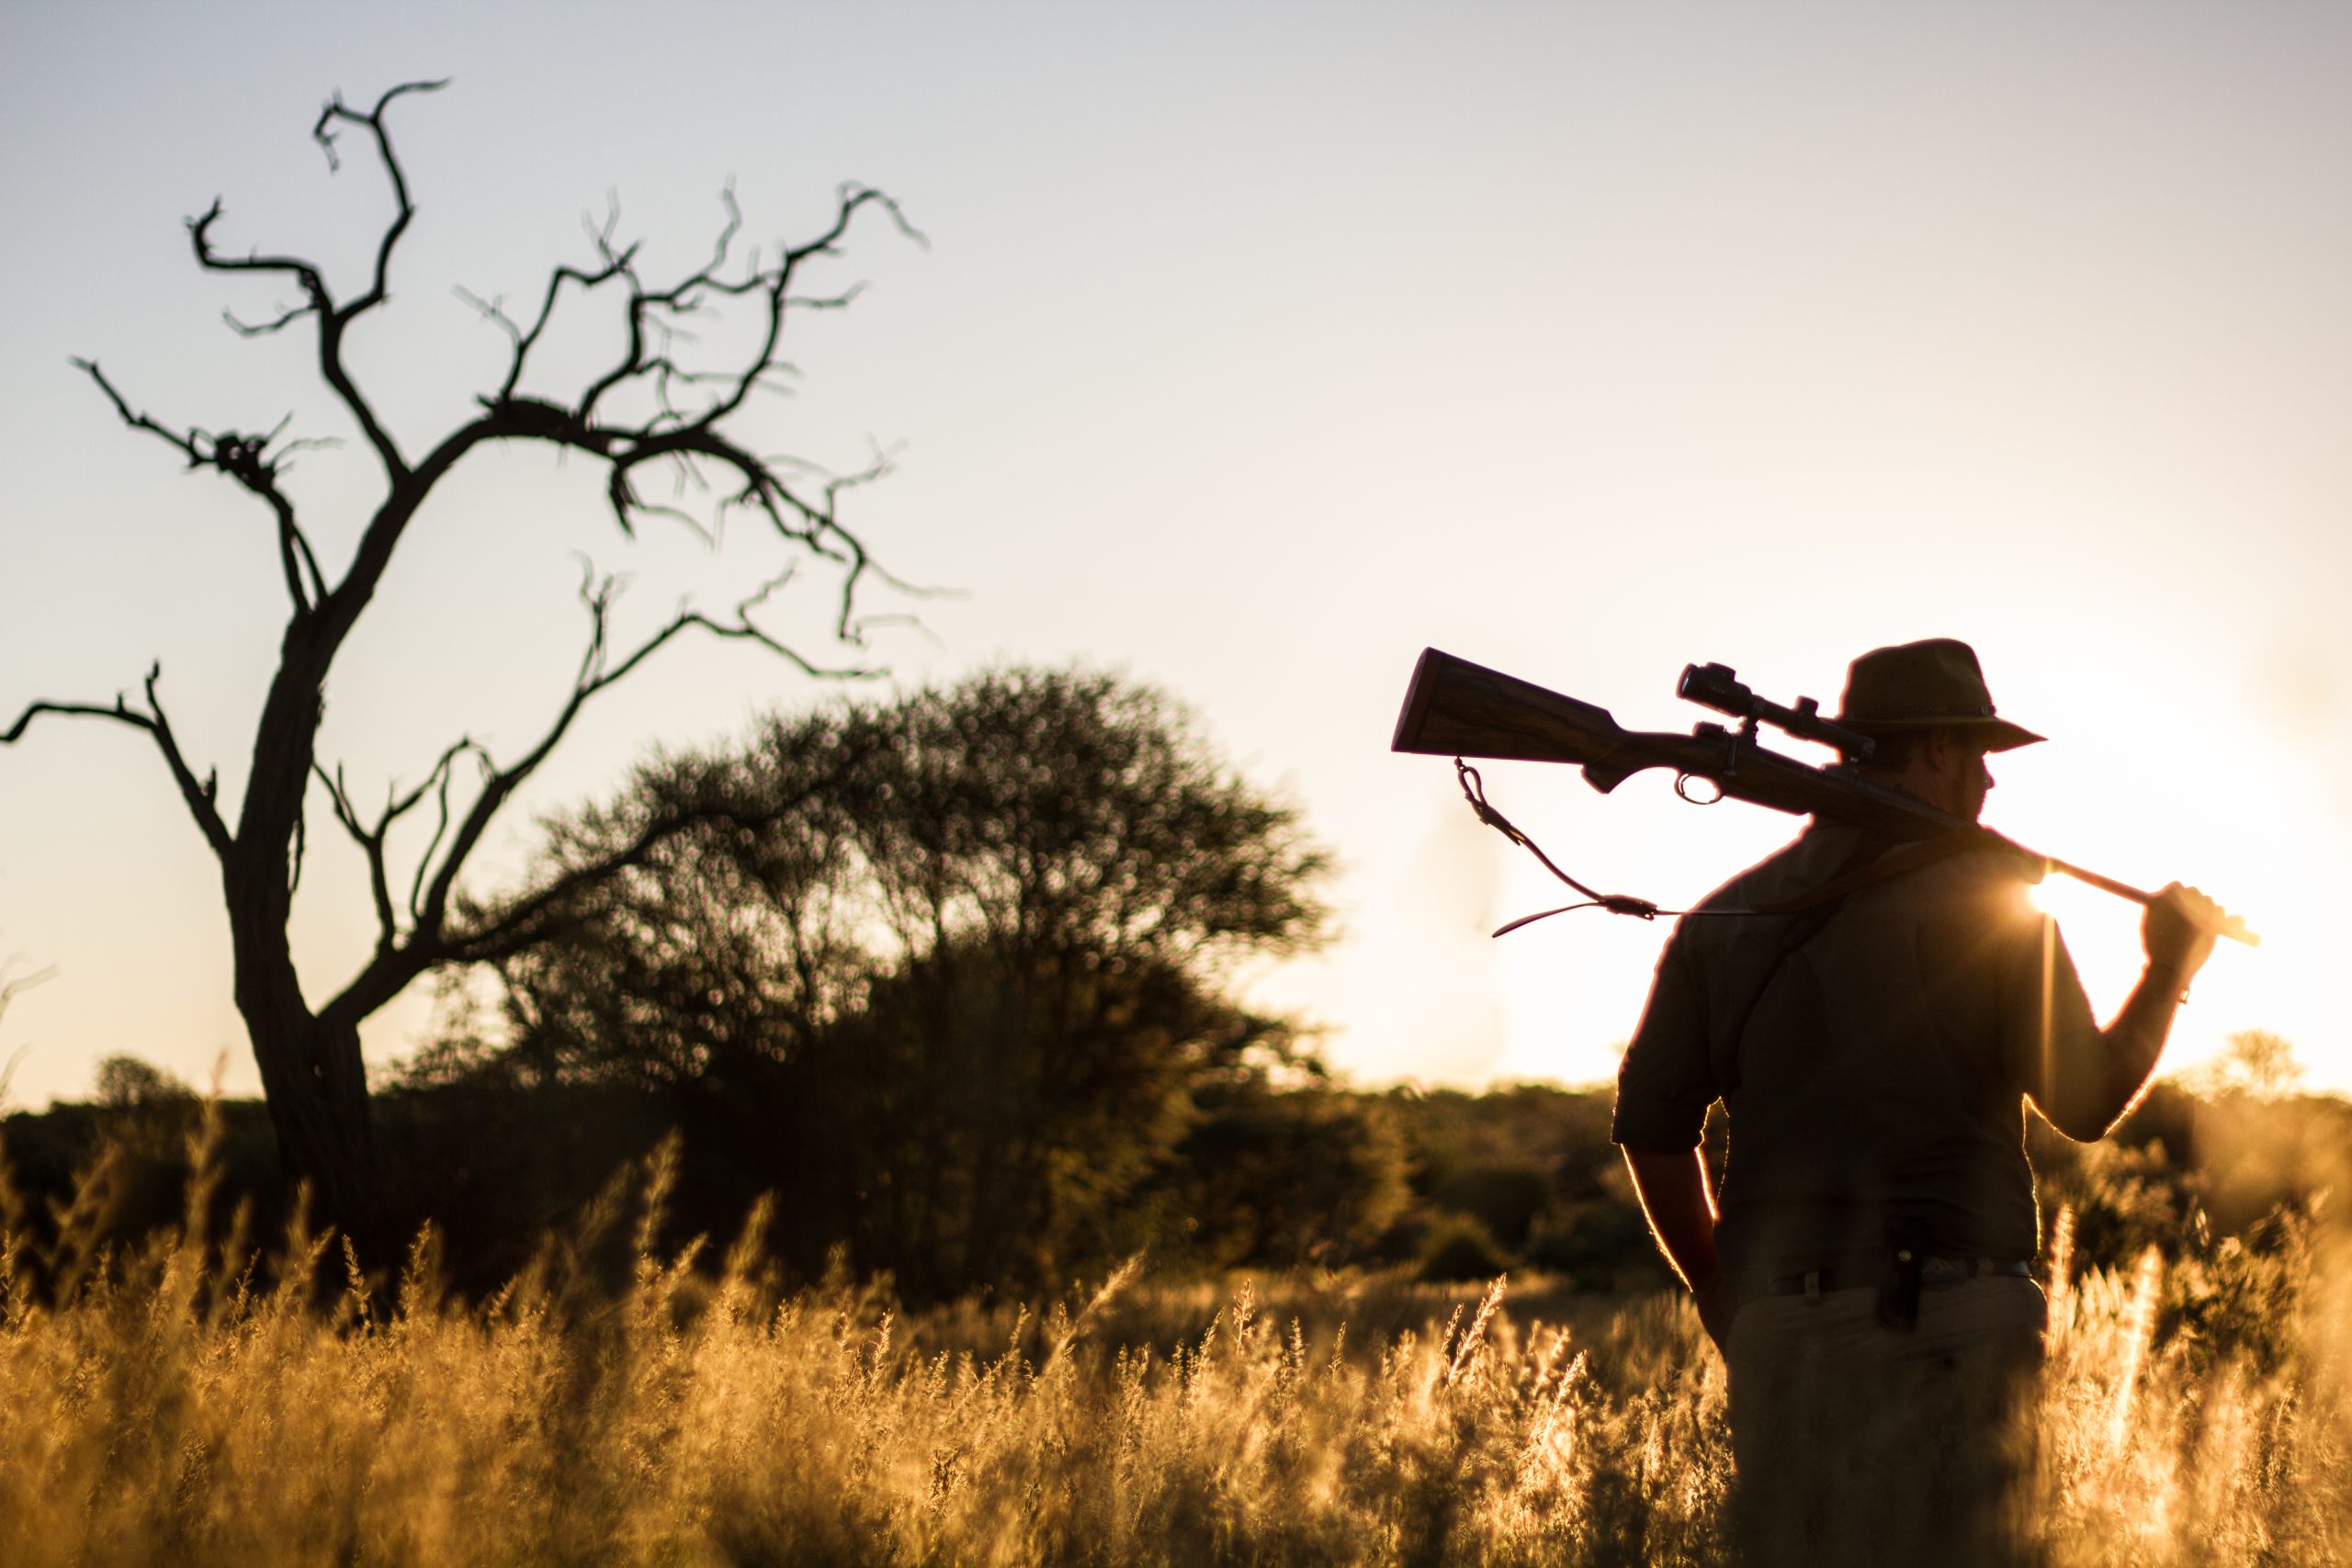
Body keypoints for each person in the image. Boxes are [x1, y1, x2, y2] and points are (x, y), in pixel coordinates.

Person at [1610, 637, 2223, 1567]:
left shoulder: (1725, 916)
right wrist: (2168, 968)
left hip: (1782, 1330)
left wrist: (1721, 1294)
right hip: (1958, 1315)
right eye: (1975, 754)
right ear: (1934, 748)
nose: (1986, 783)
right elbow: (2089, 1104)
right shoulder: (1995, 906)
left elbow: (1653, 1133)